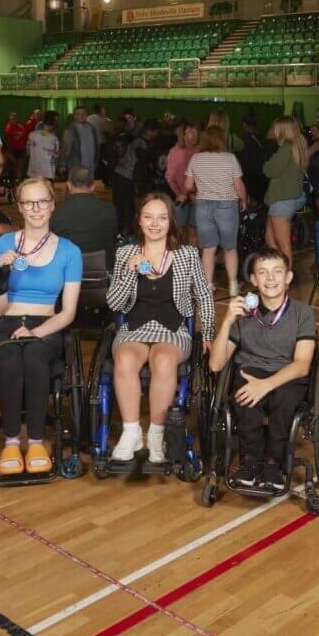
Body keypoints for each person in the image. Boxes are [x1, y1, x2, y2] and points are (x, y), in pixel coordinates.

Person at [105, 192, 215, 462]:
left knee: (164, 360)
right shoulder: (125, 254)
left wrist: (209, 333)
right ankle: (131, 432)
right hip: (134, 327)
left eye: (162, 217)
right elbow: (114, 302)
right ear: (139, 221)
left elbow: (203, 294)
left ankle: (156, 434)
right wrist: (129, 273)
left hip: (173, 328)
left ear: (170, 222)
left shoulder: (187, 255)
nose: (155, 223)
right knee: (125, 357)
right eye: (148, 217)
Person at [0, 178, 82, 475]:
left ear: (52, 205)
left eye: (42, 202)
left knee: (35, 357)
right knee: (11, 359)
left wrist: (36, 332)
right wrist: (2, 275)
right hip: (5, 323)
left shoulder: (69, 251)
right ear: (20, 207)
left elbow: (67, 313)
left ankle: (37, 440)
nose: (36, 208)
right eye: (28, 202)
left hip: (46, 324)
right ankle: (13, 442)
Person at [208, 247, 315, 489]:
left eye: (277, 272)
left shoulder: (303, 313)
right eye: (263, 273)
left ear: (288, 277)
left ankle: (274, 463)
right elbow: (215, 364)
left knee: (284, 399)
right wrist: (226, 321)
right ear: (254, 280)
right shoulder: (244, 313)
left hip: (287, 374)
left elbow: (302, 364)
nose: (270, 278)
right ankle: (250, 461)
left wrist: (265, 385)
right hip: (251, 370)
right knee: (245, 395)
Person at [185, 125, 247, 294]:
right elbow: (239, 185)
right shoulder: (230, 158)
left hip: (203, 206)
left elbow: (188, 185)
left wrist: (201, 190)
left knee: (208, 249)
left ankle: (207, 286)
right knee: (229, 248)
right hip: (226, 205)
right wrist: (243, 199)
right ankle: (233, 285)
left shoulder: (196, 158)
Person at [262, 116, 307, 269]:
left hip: (282, 199)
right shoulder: (298, 145)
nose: (274, 130)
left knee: (283, 242)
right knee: (270, 238)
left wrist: (269, 162)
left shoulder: (287, 147)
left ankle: (286, 275)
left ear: (283, 129)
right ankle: (280, 269)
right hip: (288, 198)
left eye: (276, 127)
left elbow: (269, 170)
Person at [52, 166, 118, 268]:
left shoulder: (56, 212)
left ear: (69, 185)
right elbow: (113, 240)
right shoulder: (109, 209)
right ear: (93, 186)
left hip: (67, 270)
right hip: (101, 270)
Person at [112, 119, 158, 236]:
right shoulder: (141, 143)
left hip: (118, 174)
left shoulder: (136, 140)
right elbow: (140, 163)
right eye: (156, 132)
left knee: (119, 206)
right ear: (150, 131)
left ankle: (119, 234)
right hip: (126, 177)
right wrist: (140, 183)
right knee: (128, 208)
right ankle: (130, 235)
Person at [165, 121, 199, 238]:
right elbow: (170, 178)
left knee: (194, 231)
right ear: (183, 135)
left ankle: (192, 254)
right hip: (181, 199)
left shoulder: (200, 151)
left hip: (197, 199)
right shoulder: (174, 152)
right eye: (190, 132)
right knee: (177, 231)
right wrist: (179, 194)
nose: (193, 135)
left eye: (195, 132)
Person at [60, 106, 98, 181]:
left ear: (87, 115)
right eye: (78, 114)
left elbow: (96, 145)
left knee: (88, 186)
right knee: (74, 187)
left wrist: (95, 161)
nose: (82, 115)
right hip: (76, 165)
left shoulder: (92, 128)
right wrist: (62, 164)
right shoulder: (69, 130)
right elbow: (65, 148)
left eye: (84, 113)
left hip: (90, 165)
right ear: (74, 116)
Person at [238, 116, 269, 207]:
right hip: (263, 177)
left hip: (249, 179)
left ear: (244, 125)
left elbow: (244, 162)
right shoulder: (264, 139)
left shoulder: (244, 139)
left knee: (250, 208)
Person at [26, 112, 60, 181]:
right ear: (53, 124)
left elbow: (28, 151)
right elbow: (56, 155)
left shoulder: (32, 134)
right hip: (48, 172)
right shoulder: (54, 138)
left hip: (34, 169)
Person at [4, 111, 30, 181]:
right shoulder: (8, 127)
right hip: (12, 150)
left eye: (15, 117)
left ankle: (19, 181)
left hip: (20, 150)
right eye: (12, 117)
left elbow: (24, 137)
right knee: (13, 167)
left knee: (19, 167)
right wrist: (9, 152)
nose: (14, 119)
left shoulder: (20, 126)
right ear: (10, 118)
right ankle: (13, 181)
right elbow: (7, 140)